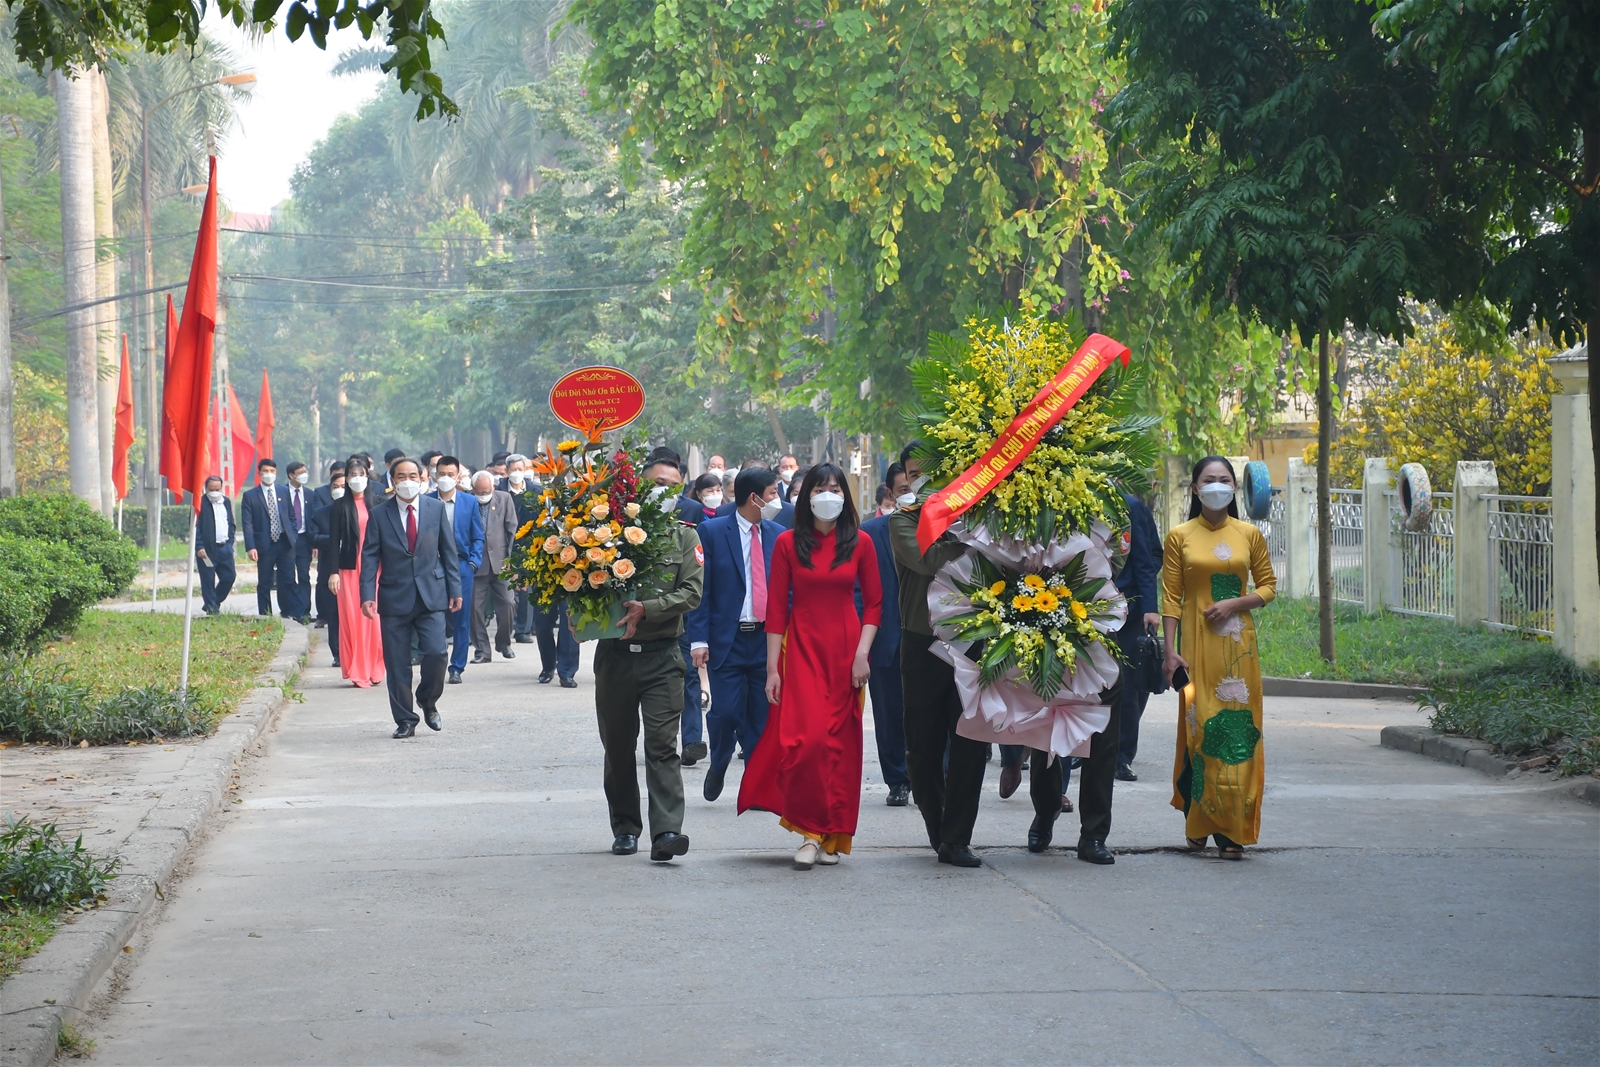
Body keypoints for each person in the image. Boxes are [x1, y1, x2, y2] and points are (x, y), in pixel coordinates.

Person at [738, 463, 881, 869]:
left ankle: (824, 833)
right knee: (805, 742)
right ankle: (809, 830)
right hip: (800, 649)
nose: (828, 494)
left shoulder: (861, 542)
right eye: (821, 488)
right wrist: (771, 668)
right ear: (806, 496)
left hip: (846, 652)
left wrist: (861, 654)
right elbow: (776, 610)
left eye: (836, 488)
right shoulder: (786, 543)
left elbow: (874, 604)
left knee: (839, 743)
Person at [1163, 456, 1276, 859]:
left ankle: (1233, 830)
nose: (1216, 485)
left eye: (1224, 479)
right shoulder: (1180, 536)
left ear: (1234, 488)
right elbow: (1171, 598)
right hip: (1194, 649)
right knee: (1198, 732)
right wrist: (1170, 651)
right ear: (1195, 489)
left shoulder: (1249, 534)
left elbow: (1268, 588)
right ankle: (1198, 822)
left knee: (1237, 732)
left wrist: (1233, 604)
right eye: (1208, 480)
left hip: (1236, 650)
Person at [593, 447, 702, 862]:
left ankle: (667, 832)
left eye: (673, 487)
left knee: (662, 746)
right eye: (657, 485)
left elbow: (692, 593)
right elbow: (588, 583)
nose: (665, 493)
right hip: (617, 657)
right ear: (639, 485)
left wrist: (648, 609)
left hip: (662, 658)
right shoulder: (608, 531)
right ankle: (625, 828)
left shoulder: (686, 535)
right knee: (619, 747)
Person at [889, 441, 987, 868]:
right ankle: (938, 826)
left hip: (973, 638)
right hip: (921, 639)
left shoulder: (979, 513)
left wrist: (973, 527)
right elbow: (927, 559)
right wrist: (972, 541)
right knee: (923, 746)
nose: (919, 479)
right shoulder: (902, 519)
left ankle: (958, 837)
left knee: (970, 740)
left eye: (927, 470)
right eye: (912, 473)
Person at [687, 466, 785, 803]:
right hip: (726, 639)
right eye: (773, 493)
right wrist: (698, 640)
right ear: (754, 497)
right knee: (725, 711)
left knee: (761, 716)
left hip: (765, 640)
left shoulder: (778, 534)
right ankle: (720, 760)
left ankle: (756, 787)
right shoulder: (712, 532)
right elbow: (701, 590)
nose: (778, 500)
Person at [360, 457, 462, 738]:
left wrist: (455, 589)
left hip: (432, 594)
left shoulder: (435, 508)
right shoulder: (380, 514)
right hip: (394, 596)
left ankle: (428, 701)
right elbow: (369, 556)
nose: (407, 481)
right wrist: (367, 594)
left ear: (422, 478)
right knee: (397, 662)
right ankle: (405, 719)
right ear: (392, 481)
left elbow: (448, 551)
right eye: (401, 476)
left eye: (412, 476)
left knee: (437, 653)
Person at [860, 463, 912, 806]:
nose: (913, 490)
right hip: (885, 638)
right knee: (889, 714)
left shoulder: (943, 527)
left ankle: (932, 775)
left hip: (931, 637)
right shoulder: (869, 532)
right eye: (904, 486)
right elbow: (858, 588)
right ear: (890, 493)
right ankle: (897, 780)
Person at [1114, 494, 1162, 786]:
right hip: (1085, 607)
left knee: (1129, 686)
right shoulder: (1074, 500)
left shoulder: (1130, 506)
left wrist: (1149, 609)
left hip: (1128, 610)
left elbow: (1146, 560)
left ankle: (1122, 756)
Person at [326, 457, 385, 688]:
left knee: (375, 620)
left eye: (361, 474)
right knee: (354, 620)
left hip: (375, 568)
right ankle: (357, 669)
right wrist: (333, 572)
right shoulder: (339, 507)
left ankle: (375, 667)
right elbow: (333, 542)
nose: (357, 479)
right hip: (349, 569)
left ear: (368, 476)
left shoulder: (380, 504)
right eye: (352, 475)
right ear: (346, 478)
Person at [429, 457, 485, 685]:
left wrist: (473, 563)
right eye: (441, 474)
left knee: (461, 618)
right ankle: (434, 663)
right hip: (433, 566)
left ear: (458, 476)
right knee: (434, 617)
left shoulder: (469, 502)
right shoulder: (426, 501)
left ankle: (456, 667)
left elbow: (478, 535)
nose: (445, 478)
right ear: (435, 475)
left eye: (450, 474)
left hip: (461, 565)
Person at [240, 458, 299, 619]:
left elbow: (292, 517)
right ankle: (265, 615)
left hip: (285, 542)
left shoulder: (284, 491)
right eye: (265, 471)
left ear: (276, 472)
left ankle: (289, 613)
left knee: (287, 579)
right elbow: (247, 523)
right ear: (259, 473)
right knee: (265, 582)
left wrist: (293, 534)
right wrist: (251, 546)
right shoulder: (250, 496)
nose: (269, 474)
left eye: (272, 471)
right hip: (264, 545)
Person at [471, 469, 519, 663]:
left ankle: (504, 642)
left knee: (508, 603)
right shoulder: (466, 500)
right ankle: (482, 650)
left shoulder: (504, 498)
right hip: (476, 565)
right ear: (473, 489)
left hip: (502, 563)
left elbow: (512, 531)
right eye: (479, 492)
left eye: (486, 491)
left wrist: (511, 562)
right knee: (475, 609)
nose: (483, 495)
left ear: (493, 487)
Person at [309, 461, 345, 632]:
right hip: (329, 566)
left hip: (355, 569)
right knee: (333, 612)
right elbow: (313, 537)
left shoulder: (361, 511)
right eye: (335, 486)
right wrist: (336, 540)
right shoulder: (321, 514)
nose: (339, 489)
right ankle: (337, 653)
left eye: (343, 486)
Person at [195, 476, 236, 615]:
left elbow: (231, 524)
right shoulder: (199, 504)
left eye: (217, 489)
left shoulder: (227, 502)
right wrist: (199, 546)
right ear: (206, 489)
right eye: (211, 489)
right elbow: (196, 527)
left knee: (229, 577)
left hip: (225, 548)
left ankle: (213, 602)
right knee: (208, 580)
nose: (214, 492)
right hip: (207, 551)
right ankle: (212, 609)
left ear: (221, 488)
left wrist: (230, 542)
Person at [282, 461, 313, 622]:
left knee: (304, 576)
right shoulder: (282, 492)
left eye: (305, 471)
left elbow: (312, 519)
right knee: (287, 575)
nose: (304, 475)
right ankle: (291, 609)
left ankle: (305, 610)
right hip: (287, 540)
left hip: (304, 540)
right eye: (300, 472)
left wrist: (314, 543)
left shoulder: (309, 494)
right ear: (291, 475)